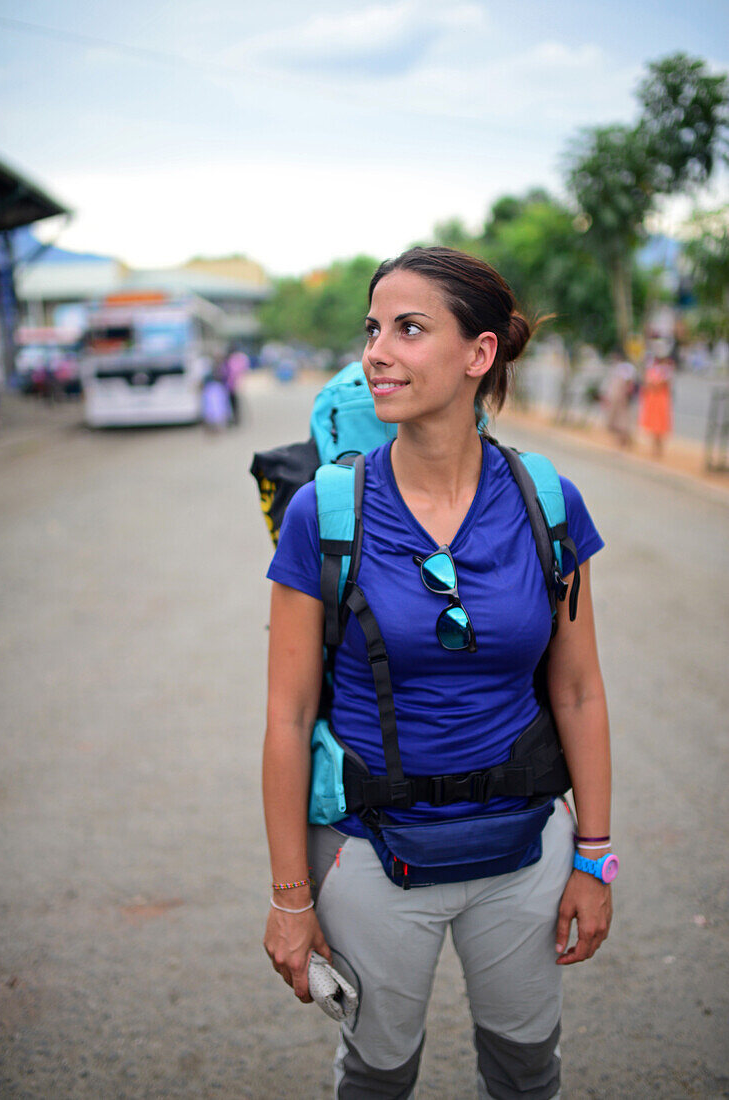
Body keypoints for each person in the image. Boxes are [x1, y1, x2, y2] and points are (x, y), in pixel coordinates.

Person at [263, 247, 614, 1099]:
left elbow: (577, 690)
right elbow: (286, 711)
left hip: (525, 851)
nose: (376, 352)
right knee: (378, 1074)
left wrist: (595, 859)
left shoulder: (548, 502)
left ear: (478, 355)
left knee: (529, 1068)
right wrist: (290, 899)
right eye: (373, 329)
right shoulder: (325, 511)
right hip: (372, 861)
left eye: (409, 329)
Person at [639, 344, 674, 458]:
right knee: (653, 425)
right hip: (652, 400)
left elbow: (664, 383)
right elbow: (647, 383)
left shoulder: (666, 370)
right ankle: (655, 448)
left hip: (661, 400)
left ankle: (659, 449)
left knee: (660, 425)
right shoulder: (652, 369)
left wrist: (654, 384)